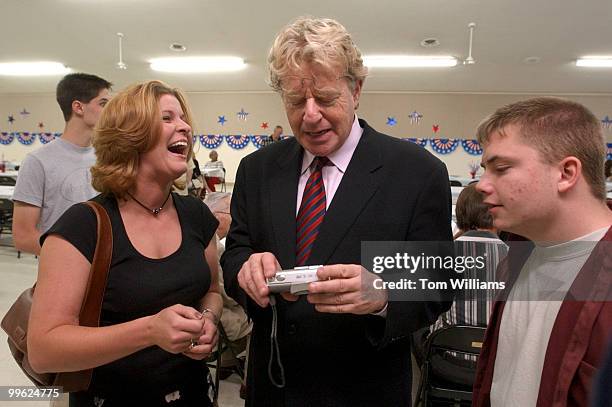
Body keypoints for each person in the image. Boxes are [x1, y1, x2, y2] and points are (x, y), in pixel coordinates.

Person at [220, 16, 453, 406]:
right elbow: (236, 252)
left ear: (356, 89)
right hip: (272, 386)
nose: (310, 115)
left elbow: (437, 280)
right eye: (296, 101)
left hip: (364, 389)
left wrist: (383, 294)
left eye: (326, 98)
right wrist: (244, 269)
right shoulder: (256, 169)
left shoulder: (417, 172)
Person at [27, 80, 223, 406]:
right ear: (130, 135)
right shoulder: (83, 225)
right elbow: (44, 351)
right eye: (168, 118)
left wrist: (209, 319)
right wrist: (150, 330)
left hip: (192, 396)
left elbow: (212, 292)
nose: (185, 127)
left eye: (184, 118)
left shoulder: (196, 215)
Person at [472, 97, 612, 406]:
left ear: (566, 173)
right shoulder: (517, 257)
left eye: (502, 168)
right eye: (485, 170)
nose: (481, 185)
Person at [12, 73, 112, 255]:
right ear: (78, 107)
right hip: (62, 271)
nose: (110, 111)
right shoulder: (38, 161)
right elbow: (23, 236)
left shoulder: (107, 157)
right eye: (103, 103)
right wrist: (73, 258)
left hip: (107, 269)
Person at [204, 192, 251, 397]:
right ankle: (248, 381)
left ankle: (229, 362)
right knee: (263, 317)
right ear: (218, 216)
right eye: (231, 215)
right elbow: (229, 295)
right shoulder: (216, 248)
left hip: (212, 318)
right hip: (221, 321)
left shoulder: (199, 238)